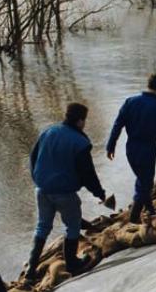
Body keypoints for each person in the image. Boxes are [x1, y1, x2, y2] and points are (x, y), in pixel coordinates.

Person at [26, 102, 110, 281]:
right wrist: (99, 193)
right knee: (72, 226)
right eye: (84, 120)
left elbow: (33, 157)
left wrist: (37, 179)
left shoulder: (48, 132)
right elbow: (88, 173)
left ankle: (30, 271)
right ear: (80, 121)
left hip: (41, 189)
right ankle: (72, 263)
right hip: (64, 192)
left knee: (42, 226)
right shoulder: (80, 142)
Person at [106, 74, 156, 223]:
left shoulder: (130, 102)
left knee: (143, 180)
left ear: (148, 85)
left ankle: (150, 208)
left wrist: (111, 146)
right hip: (147, 150)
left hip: (131, 149)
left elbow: (118, 124)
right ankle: (134, 218)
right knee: (145, 182)